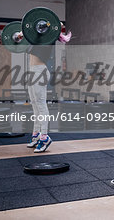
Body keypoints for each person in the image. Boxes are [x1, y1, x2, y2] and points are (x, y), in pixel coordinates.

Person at [27, 23, 71, 153]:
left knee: (40, 104)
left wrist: (52, 22)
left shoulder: (49, 37)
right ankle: (36, 135)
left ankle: (45, 137)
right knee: (34, 104)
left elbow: (58, 24)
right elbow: (24, 34)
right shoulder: (36, 37)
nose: (40, 27)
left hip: (39, 71)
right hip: (32, 71)